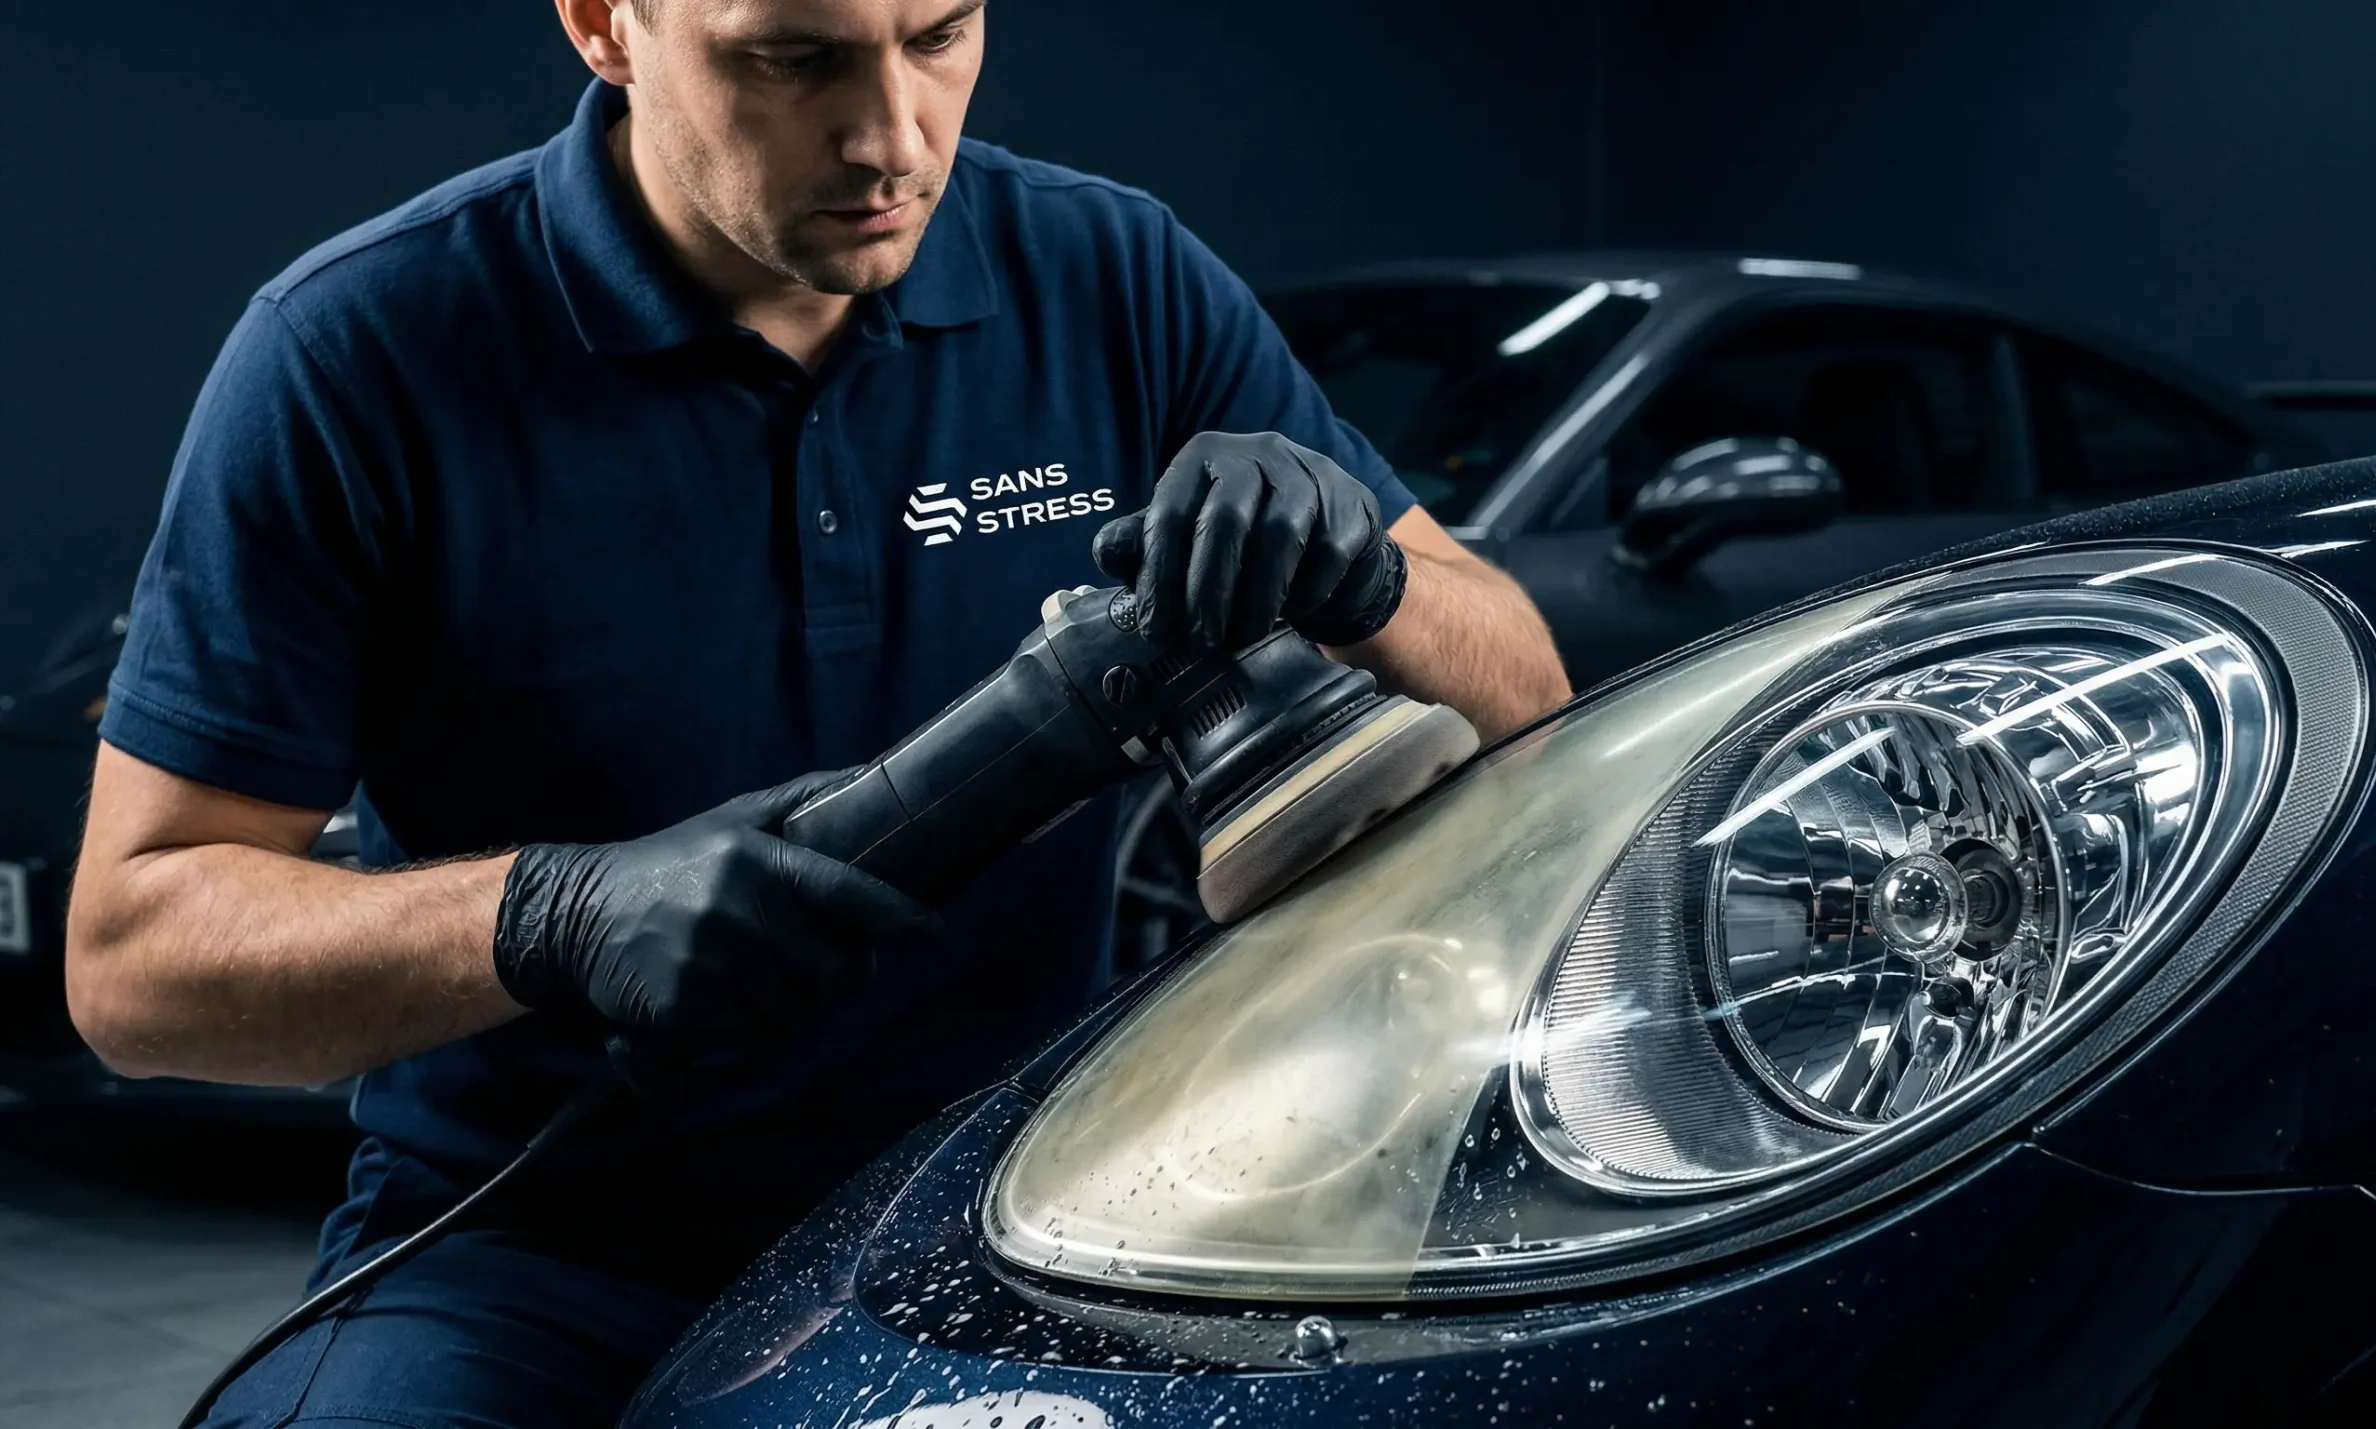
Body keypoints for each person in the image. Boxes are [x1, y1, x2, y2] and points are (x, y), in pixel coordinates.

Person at [63, 1, 1570, 1424]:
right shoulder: (360, 350)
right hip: (534, 1261)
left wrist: (1367, 575)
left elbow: (1530, 692)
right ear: (604, 23)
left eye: (939, 36)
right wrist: (548, 917)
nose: (891, 138)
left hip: (1041, 1214)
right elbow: (133, 969)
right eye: (792, 60)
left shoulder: (1112, 272)